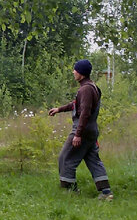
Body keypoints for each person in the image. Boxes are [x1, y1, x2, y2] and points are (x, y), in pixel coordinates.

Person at [48, 59, 114, 201]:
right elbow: (76, 104)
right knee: (93, 160)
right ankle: (106, 192)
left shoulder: (86, 89)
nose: (73, 72)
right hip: (91, 131)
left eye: (75, 70)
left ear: (81, 73)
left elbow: (84, 112)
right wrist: (59, 109)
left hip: (82, 131)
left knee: (65, 158)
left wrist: (78, 134)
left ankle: (70, 191)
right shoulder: (92, 87)